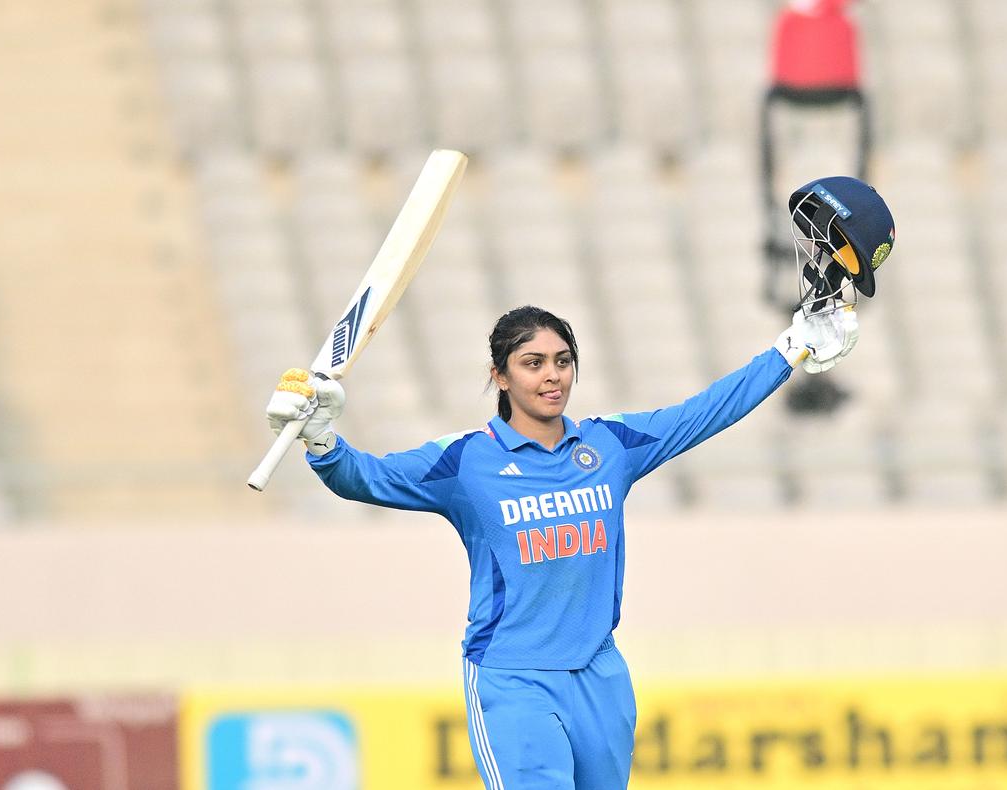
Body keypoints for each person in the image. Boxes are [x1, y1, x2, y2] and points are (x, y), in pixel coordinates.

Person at [265, 176, 894, 789]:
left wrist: (789, 349)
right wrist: (320, 437)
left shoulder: (609, 446)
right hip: (514, 681)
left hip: (600, 678)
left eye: (563, 361)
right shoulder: (466, 463)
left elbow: (706, 411)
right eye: (532, 363)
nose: (552, 376)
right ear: (500, 376)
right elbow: (363, 479)